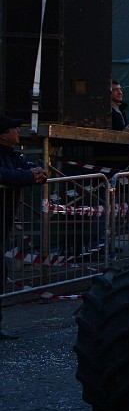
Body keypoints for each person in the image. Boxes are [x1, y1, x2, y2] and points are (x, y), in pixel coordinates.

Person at [0, 114, 48, 340]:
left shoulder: (12, 155)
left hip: (3, 222)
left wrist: (34, 173)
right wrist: (28, 175)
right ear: (3, 134)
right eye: (14, 129)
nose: (18, 133)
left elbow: (28, 169)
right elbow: (7, 175)